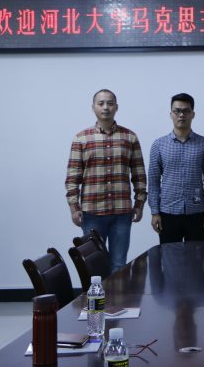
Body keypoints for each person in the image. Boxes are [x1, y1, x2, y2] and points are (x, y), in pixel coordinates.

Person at [65, 89, 147, 272]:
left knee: (118, 265)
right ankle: (99, 294)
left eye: (110, 103)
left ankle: (116, 294)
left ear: (116, 107)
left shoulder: (130, 137)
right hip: (91, 214)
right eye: (100, 103)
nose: (105, 107)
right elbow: (73, 177)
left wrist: (139, 204)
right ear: (93, 107)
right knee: (94, 266)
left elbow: (139, 175)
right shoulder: (81, 139)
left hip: (122, 213)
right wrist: (74, 207)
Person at [147, 93, 204, 244]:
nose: (181, 115)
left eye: (186, 111)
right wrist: (154, 212)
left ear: (193, 114)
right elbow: (153, 182)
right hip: (167, 212)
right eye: (177, 111)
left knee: (198, 256)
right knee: (170, 256)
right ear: (171, 114)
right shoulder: (159, 145)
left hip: (197, 212)